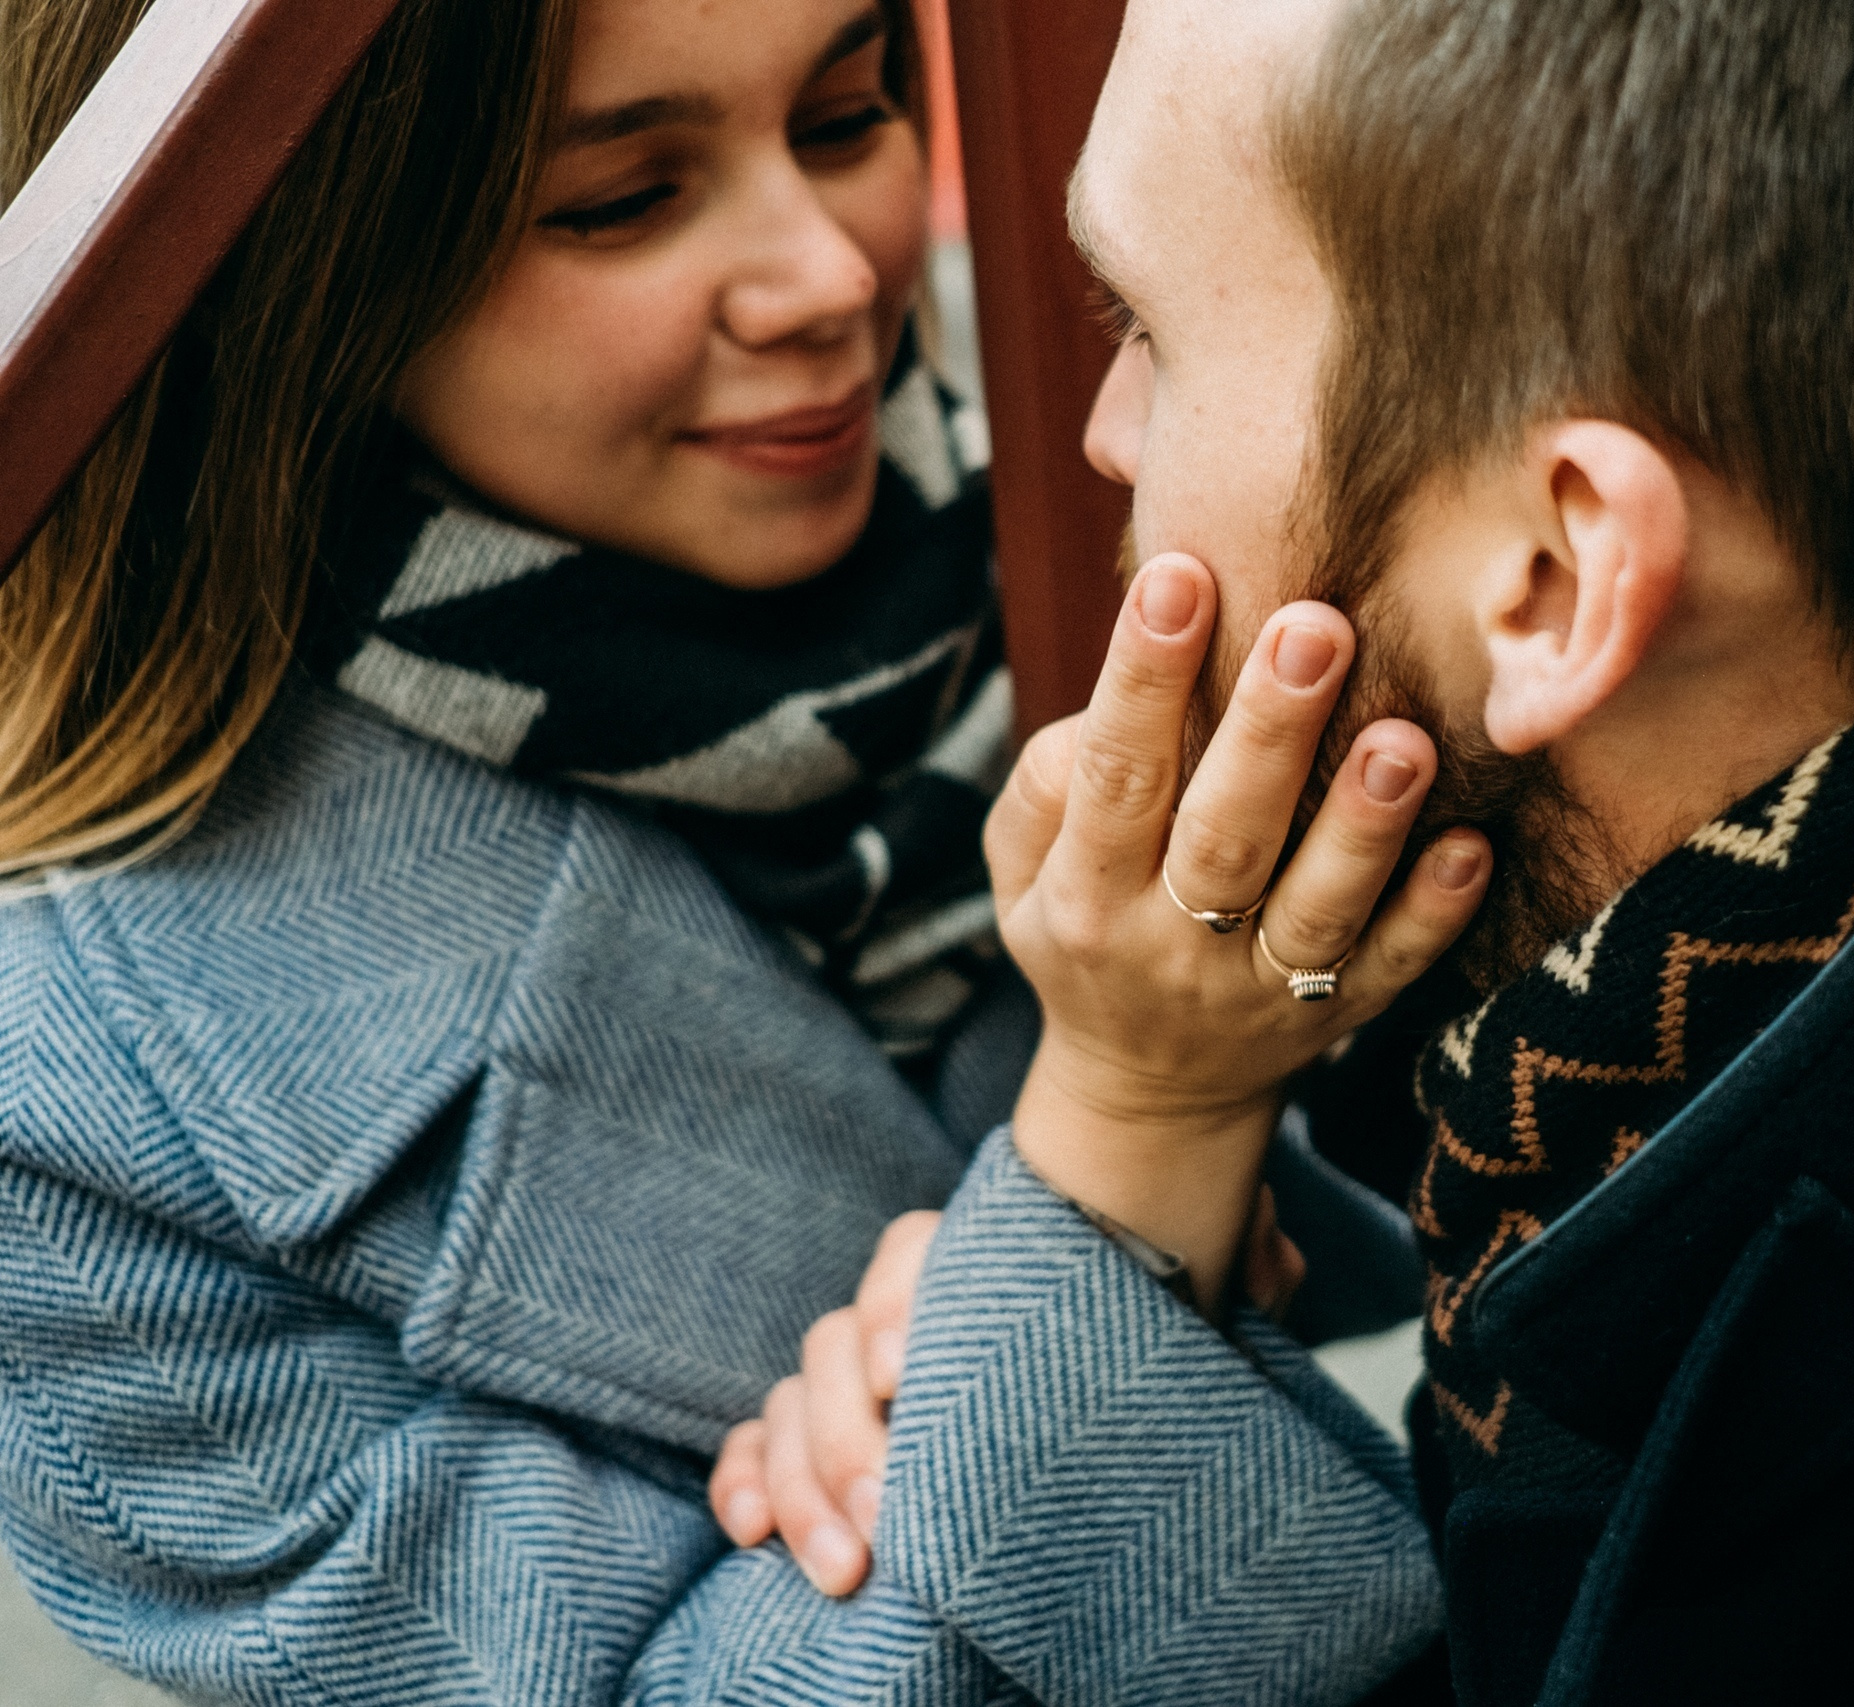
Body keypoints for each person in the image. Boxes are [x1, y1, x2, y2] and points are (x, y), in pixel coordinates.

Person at [719, 0, 1854, 1703]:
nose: (1106, 438)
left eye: (1144, 335)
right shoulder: (1659, 1012)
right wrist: (1114, 1228)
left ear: (1556, 576)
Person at [0, 0, 1417, 1696]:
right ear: (294, 270)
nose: (826, 277)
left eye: (845, 114)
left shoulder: (1148, 461)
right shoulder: (74, 1111)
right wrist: (1125, 1158)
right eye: (620, 200)